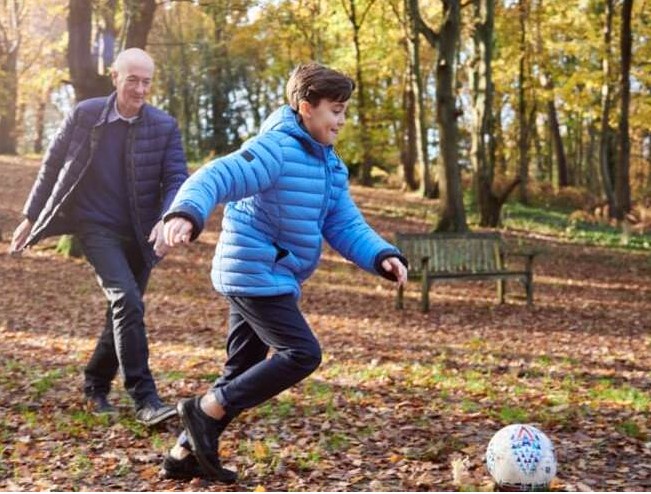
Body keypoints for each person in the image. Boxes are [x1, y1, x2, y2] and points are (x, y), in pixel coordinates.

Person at [158, 62, 408, 482]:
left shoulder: (329, 165)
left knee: (241, 372)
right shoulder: (275, 148)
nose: (342, 121)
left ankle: (182, 455)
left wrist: (380, 254)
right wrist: (186, 212)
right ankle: (202, 410)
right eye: (335, 110)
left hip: (270, 275)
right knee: (302, 353)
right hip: (254, 272)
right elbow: (217, 175)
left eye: (345, 111)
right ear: (306, 107)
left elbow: (343, 223)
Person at [9, 48, 188, 427]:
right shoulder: (86, 115)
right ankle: (145, 398)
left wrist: (170, 217)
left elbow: (176, 178)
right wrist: (30, 216)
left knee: (123, 308)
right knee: (126, 300)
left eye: (146, 82)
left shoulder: (164, 126)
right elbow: (52, 165)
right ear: (115, 77)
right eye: (132, 80)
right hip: (96, 226)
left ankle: (94, 384)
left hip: (142, 233)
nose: (140, 89)